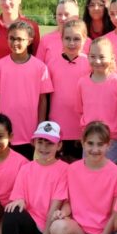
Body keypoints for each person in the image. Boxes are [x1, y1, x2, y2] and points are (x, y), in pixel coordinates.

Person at [0, 121, 69, 234]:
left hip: (51, 230)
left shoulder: (65, 170)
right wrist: (21, 200)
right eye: (40, 142)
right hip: (31, 226)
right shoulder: (26, 168)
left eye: (50, 143)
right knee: (11, 210)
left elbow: (55, 208)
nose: (44, 147)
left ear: (59, 145)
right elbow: (19, 197)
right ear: (33, 143)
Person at [49, 122, 117, 234]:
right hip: (80, 230)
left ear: (108, 145)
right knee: (56, 226)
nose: (95, 149)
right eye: (90, 143)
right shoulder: (73, 169)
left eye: (100, 144)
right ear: (82, 142)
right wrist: (62, 213)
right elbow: (69, 203)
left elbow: (115, 214)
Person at [0, 21, 53, 160]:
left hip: (29, 132)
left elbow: (43, 100)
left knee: (25, 168)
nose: (15, 42)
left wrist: (40, 127)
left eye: (20, 39)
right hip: (4, 131)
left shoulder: (40, 67)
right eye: (11, 38)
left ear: (29, 41)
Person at [77, 37, 117, 165]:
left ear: (112, 57)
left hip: (113, 142)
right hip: (89, 141)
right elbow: (80, 110)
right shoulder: (82, 83)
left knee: (112, 180)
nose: (97, 61)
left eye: (102, 56)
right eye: (93, 56)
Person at [46, 18, 89, 161]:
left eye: (76, 39)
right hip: (58, 127)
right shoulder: (52, 63)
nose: (71, 43)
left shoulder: (90, 64)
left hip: (81, 128)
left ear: (84, 40)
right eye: (67, 38)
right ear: (61, 39)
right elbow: (46, 96)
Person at [36, 0, 85, 65]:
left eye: (66, 14)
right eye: (59, 14)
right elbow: (39, 67)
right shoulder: (46, 40)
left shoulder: (87, 41)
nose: (62, 18)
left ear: (76, 16)